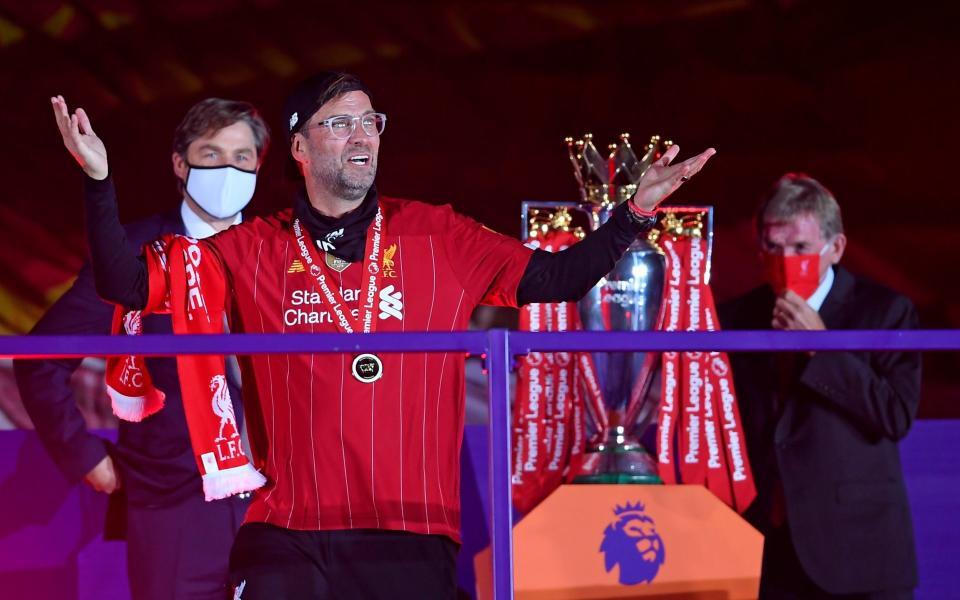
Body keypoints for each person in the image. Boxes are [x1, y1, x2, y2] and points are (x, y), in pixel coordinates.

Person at [55, 71, 715, 598]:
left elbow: (560, 278)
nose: (361, 135)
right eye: (339, 123)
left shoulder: (441, 234)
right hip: (287, 530)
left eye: (370, 121)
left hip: (411, 528)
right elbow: (127, 285)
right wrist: (97, 182)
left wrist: (633, 213)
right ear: (299, 146)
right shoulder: (250, 247)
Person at [15, 97, 270, 600]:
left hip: (279, 510)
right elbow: (41, 358)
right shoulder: (134, 254)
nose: (227, 170)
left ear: (259, 167)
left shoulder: (280, 252)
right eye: (212, 154)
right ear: (180, 162)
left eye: (242, 158)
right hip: (174, 508)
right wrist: (88, 459)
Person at [719, 173, 921, 599]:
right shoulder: (735, 316)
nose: (785, 259)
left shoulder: (886, 311)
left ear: (836, 249)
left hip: (857, 552)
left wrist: (821, 347)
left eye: (800, 249)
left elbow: (895, 415)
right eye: (773, 247)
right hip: (763, 551)